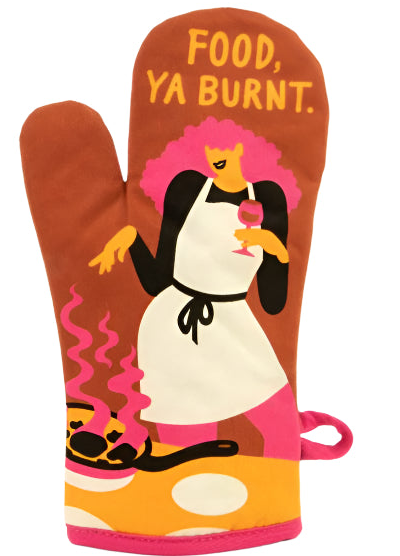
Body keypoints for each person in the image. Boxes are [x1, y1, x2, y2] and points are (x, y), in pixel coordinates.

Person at [89, 118, 301, 460]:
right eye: (209, 145)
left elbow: (274, 303)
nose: (215, 153)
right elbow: (158, 280)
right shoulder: (188, 188)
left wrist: (277, 251)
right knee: (187, 444)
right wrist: (131, 238)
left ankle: (271, 495)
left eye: (224, 144)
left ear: (241, 147)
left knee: (280, 429)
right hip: (173, 327)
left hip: (236, 325)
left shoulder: (267, 197)